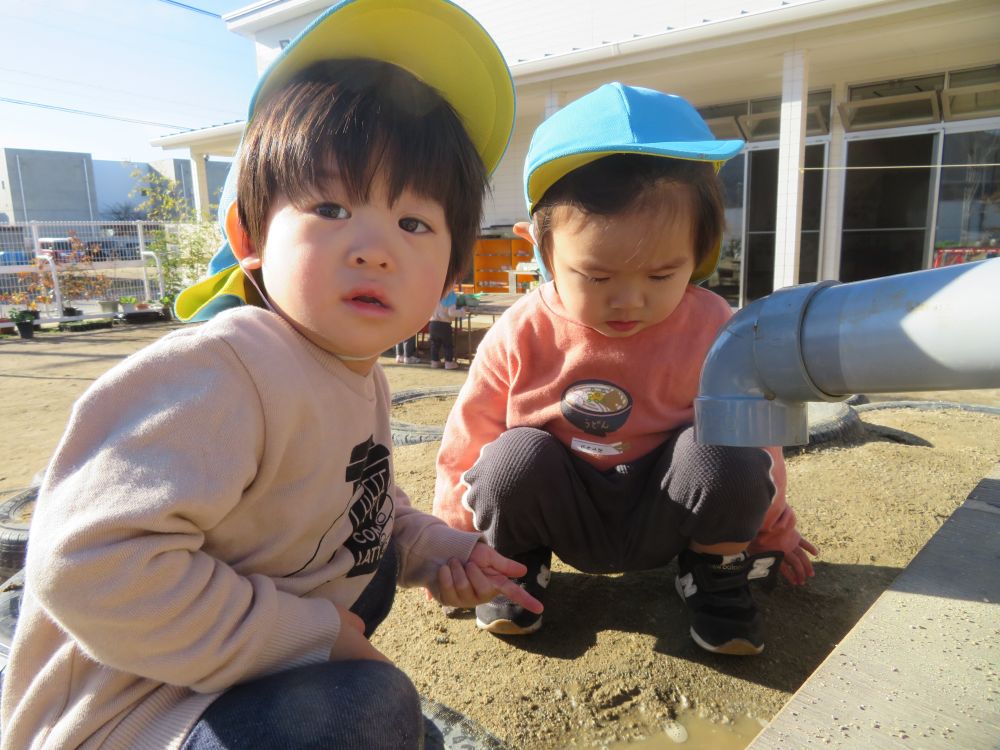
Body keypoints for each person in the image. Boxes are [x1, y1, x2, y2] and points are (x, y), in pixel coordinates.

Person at [0, 2, 541, 749]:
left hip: (225, 674)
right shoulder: (225, 370)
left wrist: (437, 550)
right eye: (330, 206)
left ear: (448, 274)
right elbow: (87, 564)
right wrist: (318, 639)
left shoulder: (350, 370)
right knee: (371, 706)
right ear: (248, 237)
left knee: (371, 581)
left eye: (414, 224)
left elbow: (352, 504)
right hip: (133, 711)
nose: (376, 248)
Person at [433, 83, 817, 656]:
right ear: (540, 250)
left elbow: (761, 444)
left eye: (662, 276)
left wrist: (773, 531)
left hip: (669, 511)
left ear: (701, 252)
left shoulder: (718, 329)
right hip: (565, 510)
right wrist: (454, 545)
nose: (629, 301)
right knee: (513, 456)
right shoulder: (522, 330)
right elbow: (471, 436)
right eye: (598, 277)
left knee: (728, 450)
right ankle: (514, 569)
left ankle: (712, 574)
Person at [428, 290, 464, 369]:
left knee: (434, 344)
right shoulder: (450, 295)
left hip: (432, 324)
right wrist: (462, 311)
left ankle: (434, 362)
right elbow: (451, 313)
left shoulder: (434, 293)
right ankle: (449, 362)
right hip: (444, 325)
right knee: (447, 345)